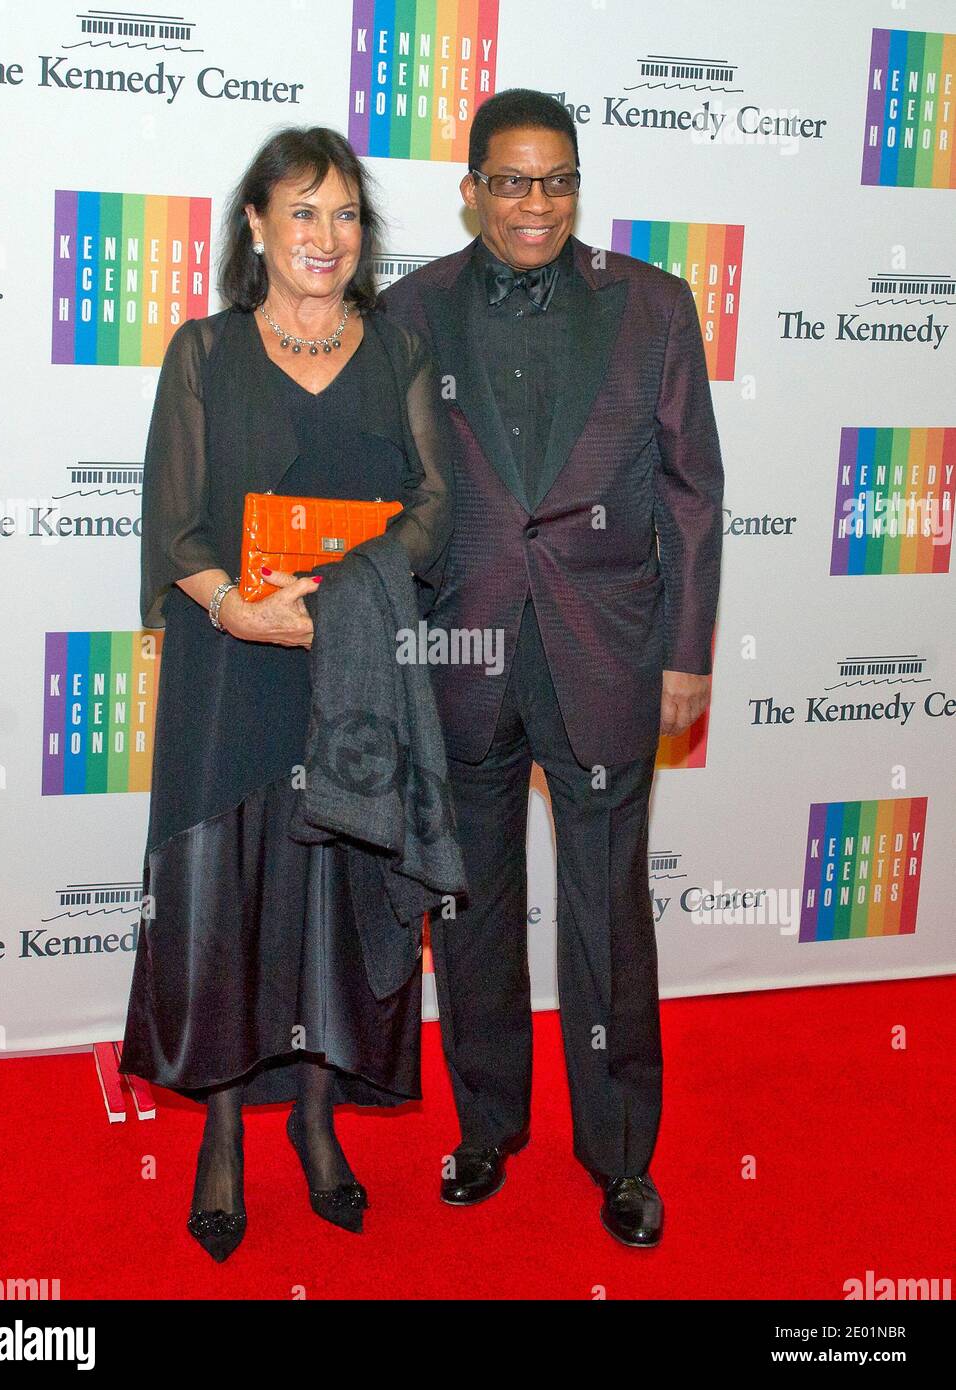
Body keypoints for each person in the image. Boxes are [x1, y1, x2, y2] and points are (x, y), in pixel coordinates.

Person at [381, 88, 724, 1246]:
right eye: (513, 181)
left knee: (606, 914)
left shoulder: (654, 306)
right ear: (470, 187)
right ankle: (486, 1127)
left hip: (606, 651)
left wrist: (685, 652)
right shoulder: (409, 308)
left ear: (578, 184)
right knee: (469, 904)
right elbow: (382, 491)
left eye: (559, 179)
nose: (538, 203)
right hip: (460, 649)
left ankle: (620, 1152)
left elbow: (690, 493)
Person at [118, 126, 454, 1261]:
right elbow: (173, 522)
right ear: (254, 225)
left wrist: (343, 593)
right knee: (226, 899)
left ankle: (315, 1121)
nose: (326, 235)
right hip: (231, 666)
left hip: (351, 670)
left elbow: (430, 509)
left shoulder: (398, 352)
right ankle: (221, 1130)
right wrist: (230, 603)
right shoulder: (204, 352)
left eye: (346, 213)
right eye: (301, 211)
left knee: (331, 886)